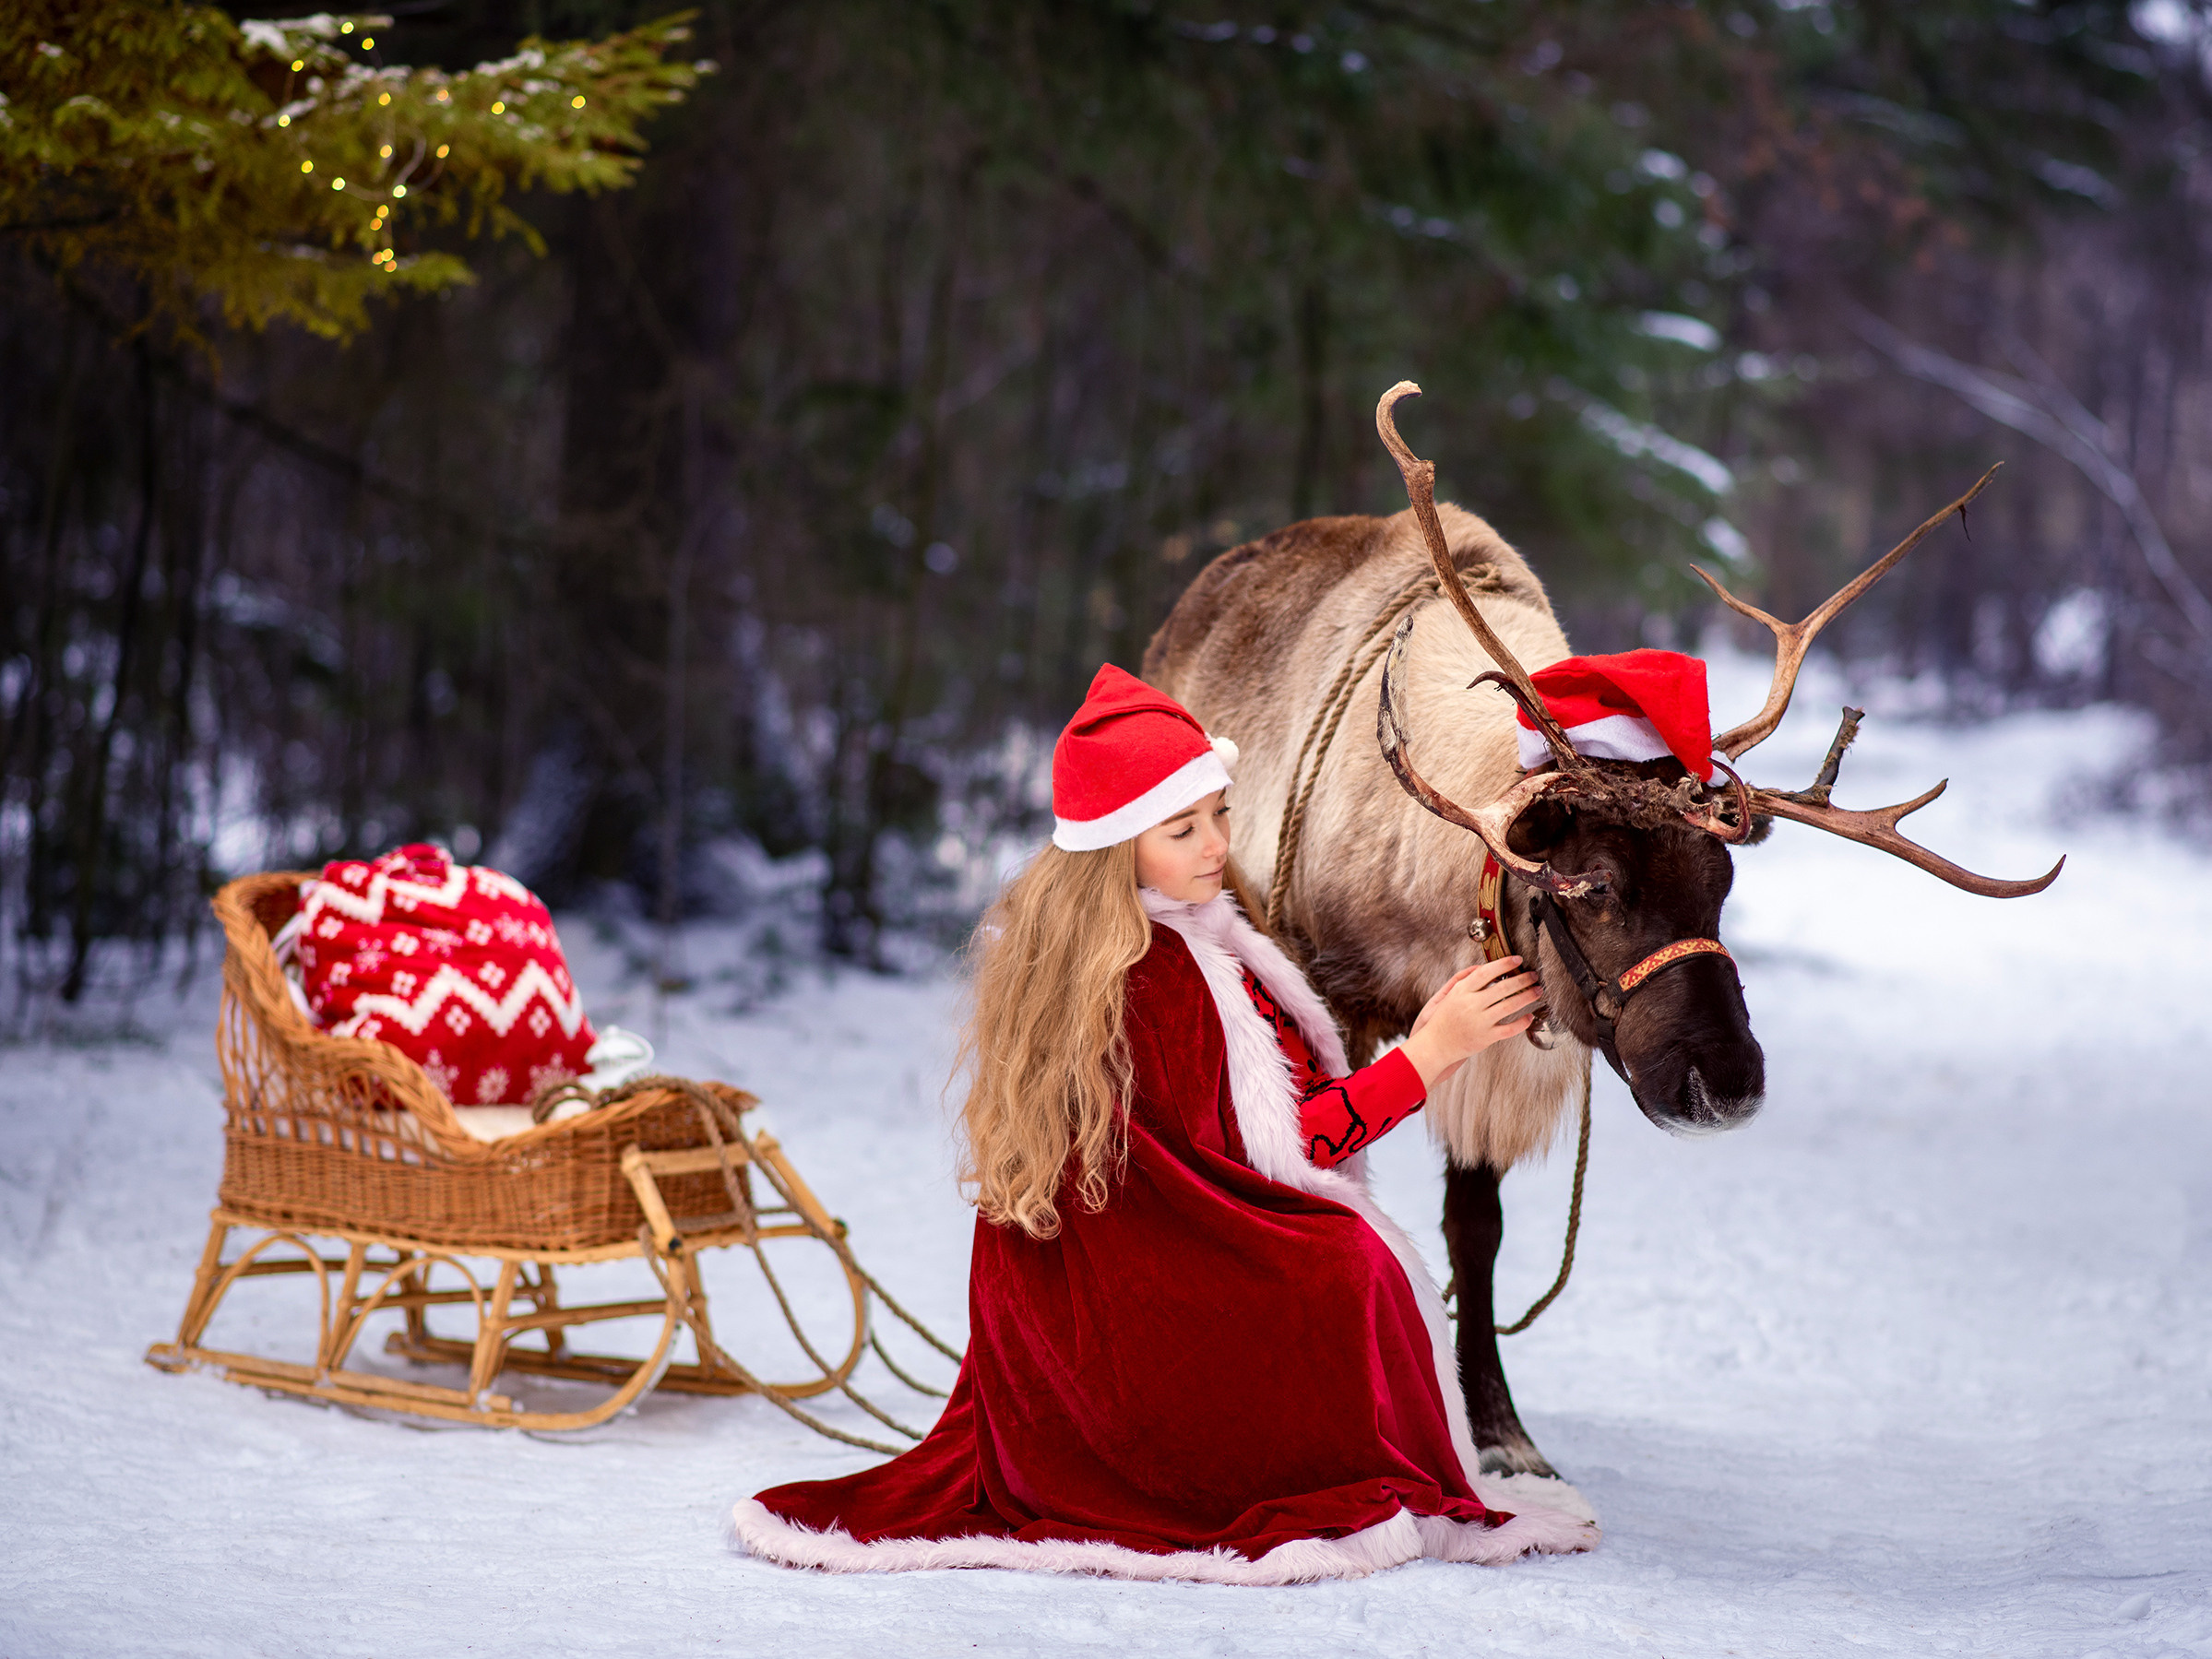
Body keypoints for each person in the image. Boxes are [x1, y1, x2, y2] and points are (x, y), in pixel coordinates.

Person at [732, 665, 1598, 1582]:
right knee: (1345, 1268)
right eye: (1182, 828)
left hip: (1111, 1294)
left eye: (1219, 814)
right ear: (1115, 848)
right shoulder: (1157, 975)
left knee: (1353, 1259)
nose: (1215, 843)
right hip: (1143, 1301)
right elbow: (1289, 1149)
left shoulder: (1155, 941)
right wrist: (1430, 1052)